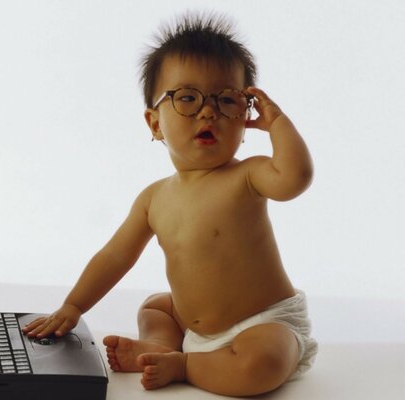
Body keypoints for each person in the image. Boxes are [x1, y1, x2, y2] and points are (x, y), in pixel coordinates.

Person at [22, 12, 317, 397]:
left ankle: (185, 364)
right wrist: (72, 307)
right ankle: (161, 345)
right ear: (155, 123)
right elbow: (114, 256)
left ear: (246, 119)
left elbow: (295, 179)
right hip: (192, 324)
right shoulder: (153, 198)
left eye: (227, 100)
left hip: (262, 323)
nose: (208, 111)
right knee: (157, 307)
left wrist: (277, 121)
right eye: (188, 98)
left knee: (261, 366)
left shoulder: (249, 175)